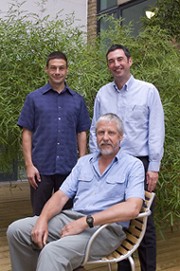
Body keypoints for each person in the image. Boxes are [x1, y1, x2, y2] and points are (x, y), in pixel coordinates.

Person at [7, 113, 145, 271]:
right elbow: (60, 196)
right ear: (95, 136)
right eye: (101, 132)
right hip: (71, 218)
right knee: (16, 231)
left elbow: (132, 208)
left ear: (121, 137)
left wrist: (86, 221)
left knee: (52, 252)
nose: (105, 137)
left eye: (111, 133)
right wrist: (42, 219)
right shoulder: (84, 163)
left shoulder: (133, 166)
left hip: (105, 229)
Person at [89, 44, 165, 271]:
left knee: (144, 222)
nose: (116, 64)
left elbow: (156, 129)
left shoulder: (148, 91)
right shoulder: (103, 93)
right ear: (108, 65)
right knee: (118, 222)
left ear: (130, 61)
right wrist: (96, 164)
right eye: (111, 61)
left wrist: (153, 166)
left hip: (140, 165)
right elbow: (95, 130)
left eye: (120, 59)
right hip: (111, 164)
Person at [18, 51, 91, 215]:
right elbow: (26, 133)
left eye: (61, 68)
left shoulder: (77, 100)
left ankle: (62, 242)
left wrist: (81, 164)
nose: (57, 72)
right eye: (53, 68)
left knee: (68, 215)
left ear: (67, 70)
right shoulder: (34, 98)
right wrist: (29, 166)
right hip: (40, 169)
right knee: (39, 215)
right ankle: (40, 242)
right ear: (46, 70)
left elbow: (82, 132)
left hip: (69, 169)